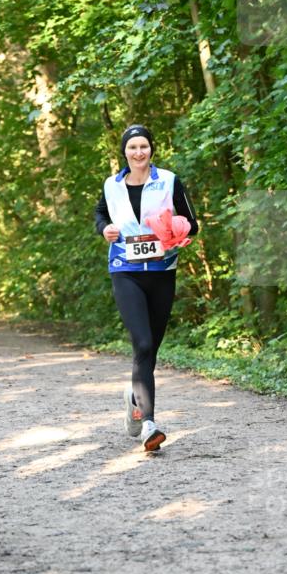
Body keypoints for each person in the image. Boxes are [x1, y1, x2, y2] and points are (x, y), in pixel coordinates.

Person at [94, 124, 198, 451]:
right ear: (124, 152)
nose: (138, 153)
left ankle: (133, 397)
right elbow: (100, 214)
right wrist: (105, 229)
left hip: (162, 270)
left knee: (151, 348)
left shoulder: (168, 180)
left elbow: (192, 222)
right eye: (132, 147)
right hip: (125, 270)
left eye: (144, 147)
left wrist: (179, 232)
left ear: (152, 149)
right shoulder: (112, 185)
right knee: (141, 343)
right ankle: (149, 424)